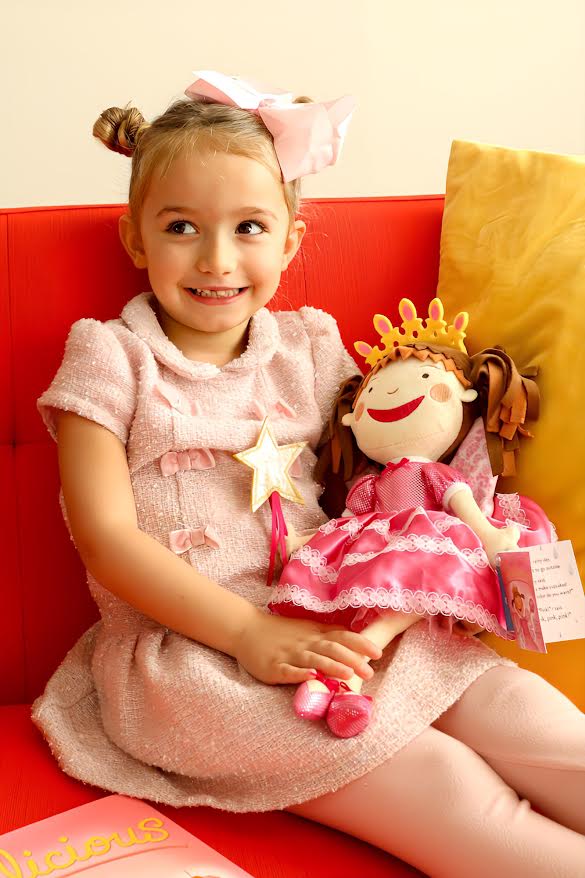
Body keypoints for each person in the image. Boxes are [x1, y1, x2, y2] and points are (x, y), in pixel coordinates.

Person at [32, 70, 585, 877]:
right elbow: (108, 541)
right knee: (456, 795)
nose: (217, 259)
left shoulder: (312, 346)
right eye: (182, 226)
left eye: (249, 227)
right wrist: (249, 632)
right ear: (135, 238)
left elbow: (384, 477)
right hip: (201, 657)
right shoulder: (110, 357)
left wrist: (459, 553)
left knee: (536, 724)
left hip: (354, 613)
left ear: (290, 239)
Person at [268, 300, 555, 737]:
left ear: (465, 398)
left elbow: (463, 505)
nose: (389, 398)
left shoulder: (435, 473)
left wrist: (488, 536)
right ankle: (338, 685)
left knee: (399, 605)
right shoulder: (368, 485)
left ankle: (347, 674)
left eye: (423, 379)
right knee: (358, 610)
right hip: (376, 548)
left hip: (427, 545)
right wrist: (305, 540)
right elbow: (346, 521)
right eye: (375, 392)